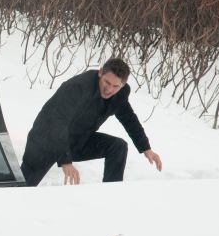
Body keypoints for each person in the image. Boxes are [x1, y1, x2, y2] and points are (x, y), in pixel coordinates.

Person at [20, 58, 162, 186]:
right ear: (100, 73)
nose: (109, 89)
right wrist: (65, 161)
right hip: (45, 141)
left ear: (123, 85)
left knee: (118, 147)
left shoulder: (120, 94)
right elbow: (57, 122)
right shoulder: (78, 86)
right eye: (107, 82)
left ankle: (111, 193)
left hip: (78, 141)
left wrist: (145, 148)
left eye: (115, 86)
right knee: (21, 188)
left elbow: (129, 118)